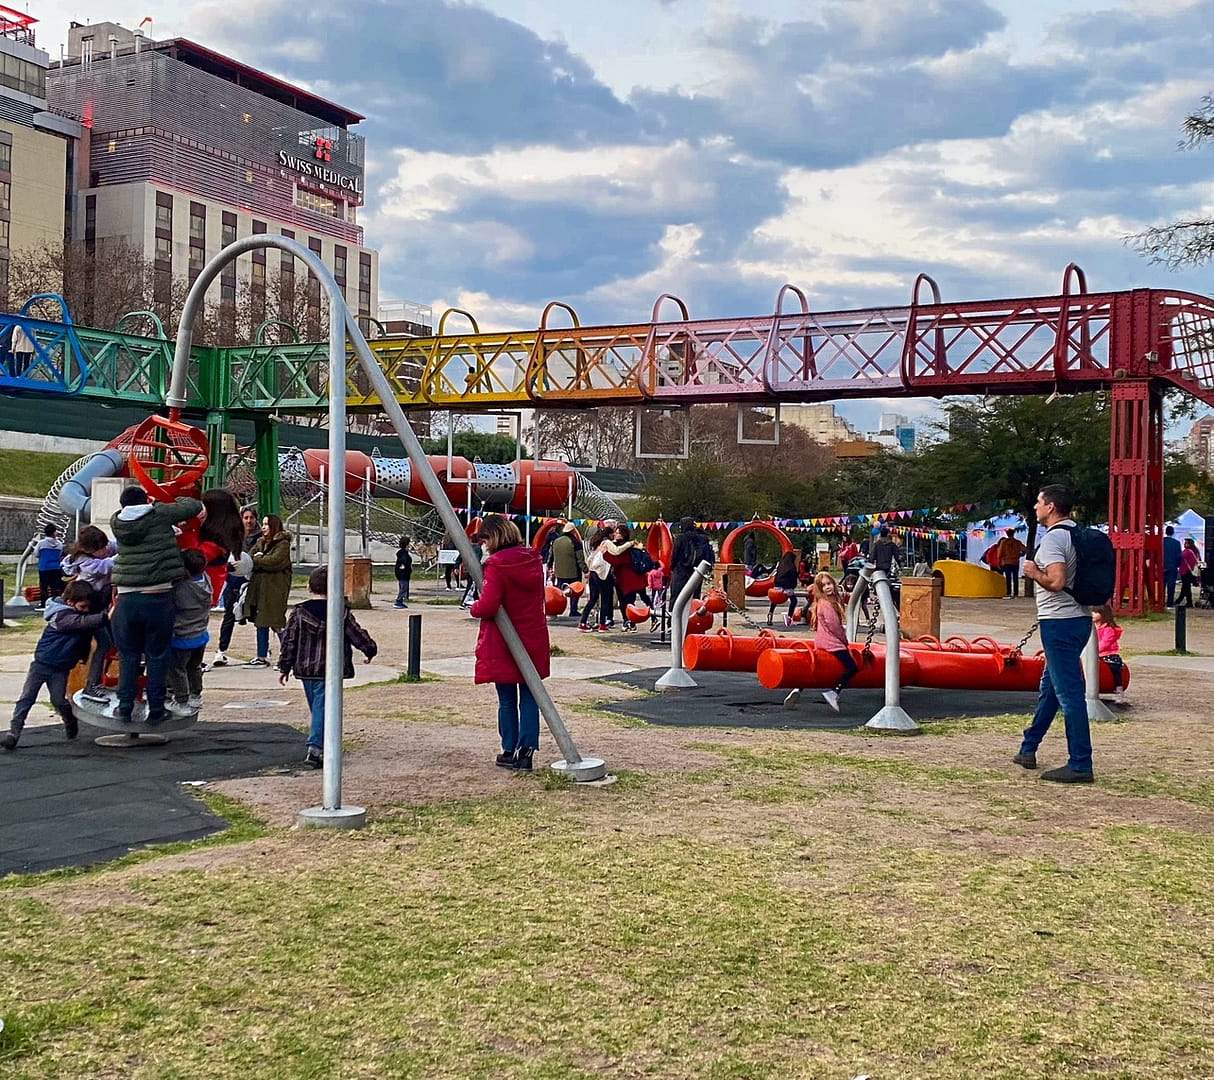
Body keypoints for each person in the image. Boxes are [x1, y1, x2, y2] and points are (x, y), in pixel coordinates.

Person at [1014, 483, 1096, 783]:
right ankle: (1028, 746)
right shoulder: (1081, 535)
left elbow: (1057, 581)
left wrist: (1034, 572)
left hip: (1058, 622)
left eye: (1038, 501)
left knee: (1068, 693)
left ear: (1050, 507)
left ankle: (1080, 763)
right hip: (1080, 620)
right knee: (1051, 686)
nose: (1035, 507)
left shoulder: (1053, 540)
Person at [111, 485, 202, 726]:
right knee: (157, 655)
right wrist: (170, 496)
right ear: (146, 501)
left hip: (126, 599)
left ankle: (125, 706)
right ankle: (156, 709)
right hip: (158, 597)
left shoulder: (117, 522)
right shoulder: (159, 513)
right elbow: (193, 506)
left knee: (128, 656)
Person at [468, 515, 550, 771]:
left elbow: (489, 604)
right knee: (529, 696)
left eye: (484, 539)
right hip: (533, 635)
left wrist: (474, 608)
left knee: (506, 699)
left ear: (493, 537)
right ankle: (526, 751)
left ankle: (508, 748)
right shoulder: (533, 559)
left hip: (505, 639)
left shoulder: (496, 565)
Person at [278, 564, 378, 769]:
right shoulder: (340, 612)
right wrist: (369, 649)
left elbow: (289, 641)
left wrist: (284, 666)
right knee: (322, 709)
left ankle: (319, 745)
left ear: (309, 588)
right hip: (330, 668)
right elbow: (356, 634)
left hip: (305, 667)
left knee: (318, 707)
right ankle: (315, 748)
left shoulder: (298, 612)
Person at [2, 581, 103, 750]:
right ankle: (14, 732)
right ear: (70, 602)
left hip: (60, 667)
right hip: (41, 664)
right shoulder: (63, 617)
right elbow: (82, 622)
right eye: (83, 606)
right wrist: (107, 615)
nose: (86, 610)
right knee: (26, 698)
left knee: (58, 700)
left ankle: (69, 719)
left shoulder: (75, 614)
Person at [785, 572, 858, 713]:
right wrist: (844, 640)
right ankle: (834, 692)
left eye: (829, 584)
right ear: (820, 589)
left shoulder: (822, 602)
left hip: (821, 641)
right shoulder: (827, 604)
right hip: (831, 643)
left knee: (817, 668)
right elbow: (834, 626)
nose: (827, 587)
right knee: (852, 667)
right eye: (824, 586)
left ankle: (798, 688)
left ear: (834, 584)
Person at [61, 525, 118, 698]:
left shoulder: (100, 550)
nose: (105, 550)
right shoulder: (87, 563)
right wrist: (131, 552)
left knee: (110, 643)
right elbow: (106, 566)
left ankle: (98, 680)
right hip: (90, 608)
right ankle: (92, 684)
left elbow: (115, 546)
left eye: (104, 545)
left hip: (99, 603)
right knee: (104, 643)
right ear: (88, 550)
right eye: (100, 548)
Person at [209, 505, 259, 668]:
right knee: (229, 616)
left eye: (251, 518)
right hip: (233, 581)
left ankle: (263, 653)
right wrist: (227, 567)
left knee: (260, 618)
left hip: (252, 582)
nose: (249, 521)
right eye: (246, 518)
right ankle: (221, 651)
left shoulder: (260, 538)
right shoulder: (232, 537)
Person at [245, 513, 293, 667]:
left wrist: (259, 559)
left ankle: (288, 655)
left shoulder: (283, 544)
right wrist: (258, 559)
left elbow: (274, 562)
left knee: (276, 622)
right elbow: (249, 557)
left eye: (266, 524)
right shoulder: (260, 542)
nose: (263, 527)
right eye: (263, 524)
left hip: (275, 589)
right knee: (261, 621)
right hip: (259, 588)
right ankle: (261, 655)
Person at [167, 548, 211, 710]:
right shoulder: (205, 581)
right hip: (200, 635)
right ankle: (195, 695)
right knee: (194, 667)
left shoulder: (182, 589)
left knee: (177, 670)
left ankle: (181, 700)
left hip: (182, 638)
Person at [198, 488, 245, 607]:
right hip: (204, 591)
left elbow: (194, 558)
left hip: (199, 592)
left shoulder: (215, 539)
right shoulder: (223, 535)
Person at [603, 525, 649, 631]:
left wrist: (604, 555)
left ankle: (629, 622)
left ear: (623, 535)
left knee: (626, 602)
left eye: (618, 532)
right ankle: (629, 621)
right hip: (627, 579)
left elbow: (617, 561)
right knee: (630, 601)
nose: (616, 534)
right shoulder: (629, 545)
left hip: (626, 579)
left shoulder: (624, 547)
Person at [578, 524, 617, 632]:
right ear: (609, 534)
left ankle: (582, 622)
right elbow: (617, 552)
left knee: (593, 599)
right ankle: (602, 624)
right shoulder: (608, 544)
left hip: (593, 573)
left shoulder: (595, 545)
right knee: (605, 599)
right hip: (602, 574)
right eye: (613, 533)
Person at [669, 517, 714, 605]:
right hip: (697, 571)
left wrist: (672, 567)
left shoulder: (680, 538)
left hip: (681, 570)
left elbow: (675, 555)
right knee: (694, 597)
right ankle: (693, 616)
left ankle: (673, 617)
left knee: (676, 596)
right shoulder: (703, 539)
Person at [549, 521, 587, 619]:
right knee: (575, 591)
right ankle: (573, 610)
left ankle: (555, 609)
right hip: (573, 572)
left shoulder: (556, 541)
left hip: (559, 571)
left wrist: (549, 565)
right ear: (573, 530)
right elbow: (580, 559)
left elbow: (551, 555)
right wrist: (585, 570)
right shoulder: (575, 542)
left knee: (559, 591)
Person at [1092, 603, 1126, 705]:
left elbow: (1105, 643)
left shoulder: (1108, 629)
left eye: (1095, 612)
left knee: (1114, 667)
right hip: (1095, 654)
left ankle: (1118, 689)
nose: (1092, 614)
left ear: (1104, 614)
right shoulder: (1092, 627)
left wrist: (1095, 650)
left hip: (1108, 654)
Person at [768, 550, 801, 628]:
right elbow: (793, 580)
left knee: (774, 600)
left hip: (777, 587)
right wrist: (793, 587)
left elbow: (775, 577)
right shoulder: (792, 568)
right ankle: (789, 617)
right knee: (794, 601)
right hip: (788, 588)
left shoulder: (780, 567)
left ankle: (770, 613)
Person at [34, 524, 64, 608]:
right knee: (54, 587)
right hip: (55, 567)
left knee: (43, 586)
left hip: (44, 567)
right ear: (54, 532)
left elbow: (36, 554)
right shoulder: (59, 544)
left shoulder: (41, 543)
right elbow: (60, 555)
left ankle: (43, 603)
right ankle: (54, 602)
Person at [996, 527, 1027, 599]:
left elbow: (1000, 553)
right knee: (1015, 578)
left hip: (1006, 562)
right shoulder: (1017, 542)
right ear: (1013, 534)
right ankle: (1016, 593)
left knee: (1008, 578)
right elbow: (1025, 549)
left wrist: (999, 562)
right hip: (1015, 562)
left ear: (1007, 534)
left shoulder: (1004, 542)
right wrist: (1020, 555)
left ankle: (1008, 593)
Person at [1177, 537, 1200, 608]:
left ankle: (1187, 602)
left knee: (1186, 587)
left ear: (1188, 544)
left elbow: (1180, 559)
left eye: (1185, 542)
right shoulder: (1196, 551)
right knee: (1186, 587)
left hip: (1186, 571)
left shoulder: (1186, 552)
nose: (1184, 544)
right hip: (1192, 571)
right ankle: (1182, 601)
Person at [1162, 525, 1182, 607]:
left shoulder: (1161, 542)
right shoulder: (1177, 543)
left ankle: (1161, 602)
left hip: (1162, 566)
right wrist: (1177, 565)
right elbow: (1179, 556)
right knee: (1171, 586)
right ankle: (1169, 603)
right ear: (1173, 532)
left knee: (1161, 586)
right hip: (1172, 567)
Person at [393, 535, 413, 608]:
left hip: (402, 572)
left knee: (403, 586)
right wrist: (405, 567)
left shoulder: (403, 552)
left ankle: (401, 601)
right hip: (403, 573)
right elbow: (404, 561)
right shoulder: (403, 553)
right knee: (403, 587)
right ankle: (398, 601)